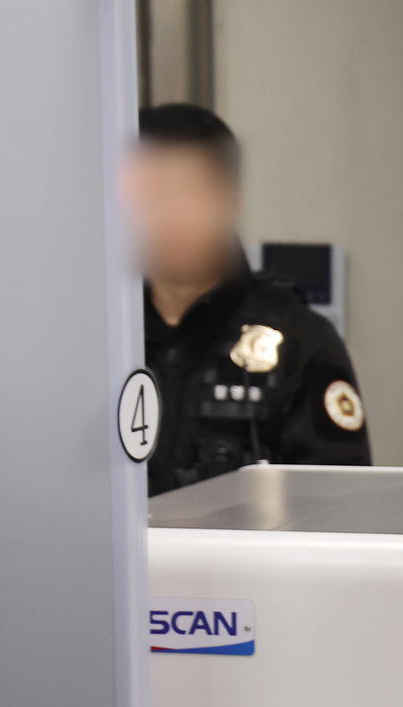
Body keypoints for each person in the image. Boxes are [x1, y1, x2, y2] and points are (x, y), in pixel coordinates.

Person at [133, 104, 371, 495]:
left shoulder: (301, 340)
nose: (171, 216)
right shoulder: (96, 341)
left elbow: (339, 503)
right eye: (154, 195)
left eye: (190, 193)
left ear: (231, 200)